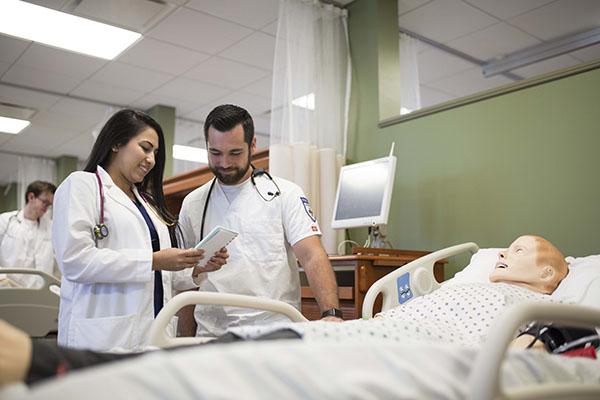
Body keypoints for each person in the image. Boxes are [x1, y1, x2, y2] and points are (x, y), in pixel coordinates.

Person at [1, 234, 596, 388]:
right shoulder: (471, 284)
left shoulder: (543, 307)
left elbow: (534, 351)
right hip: (383, 334)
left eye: (516, 253)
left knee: (244, 366)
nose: (500, 258)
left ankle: (56, 365)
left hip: (420, 354)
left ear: (548, 273)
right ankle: (64, 363)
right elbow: (407, 315)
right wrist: (360, 320)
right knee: (247, 353)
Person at [51, 109, 228, 352]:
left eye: (155, 153)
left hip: (152, 333)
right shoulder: (82, 185)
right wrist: (153, 260)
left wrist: (197, 268)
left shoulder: (147, 204)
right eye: (145, 148)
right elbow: (74, 260)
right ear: (116, 143)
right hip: (102, 337)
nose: (152, 160)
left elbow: (161, 274)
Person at [178, 104, 342, 337]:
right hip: (212, 334)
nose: (224, 163)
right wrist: (182, 342)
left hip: (274, 330)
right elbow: (186, 279)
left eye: (235, 153)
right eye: (215, 153)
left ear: (252, 145)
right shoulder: (193, 203)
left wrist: (331, 314)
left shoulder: (285, 194)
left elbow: (311, 255)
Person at [0, 181, 58, 288]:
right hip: (8, 288)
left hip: (38, 292)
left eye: (49, 205)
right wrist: (2, 278)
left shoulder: (52, 228)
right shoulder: (5, 221)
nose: (46, 208)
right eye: (44, 202)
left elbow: (57, 264)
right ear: (31, 197)